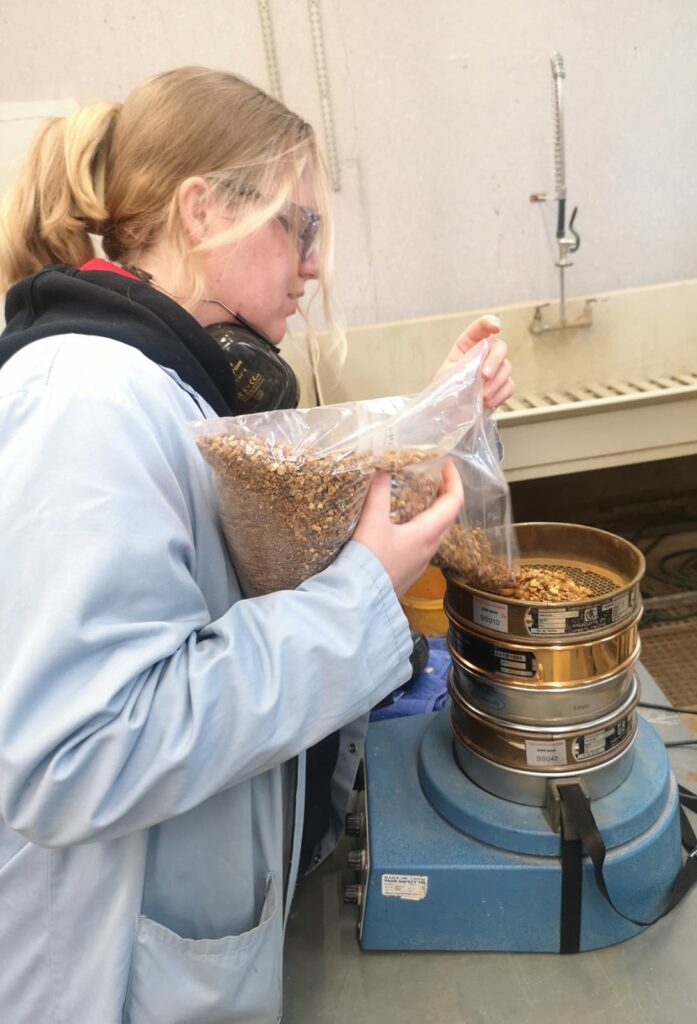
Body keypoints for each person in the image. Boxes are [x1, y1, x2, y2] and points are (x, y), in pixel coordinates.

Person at [0, 66, 513, 1023]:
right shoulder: (84, 397)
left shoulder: (165, 384)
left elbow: (255, 560)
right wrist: (364, 595)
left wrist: (436, 418)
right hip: (106, 980)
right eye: (300, 226)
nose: (312, 266)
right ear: (200, 213)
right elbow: (74, 754)